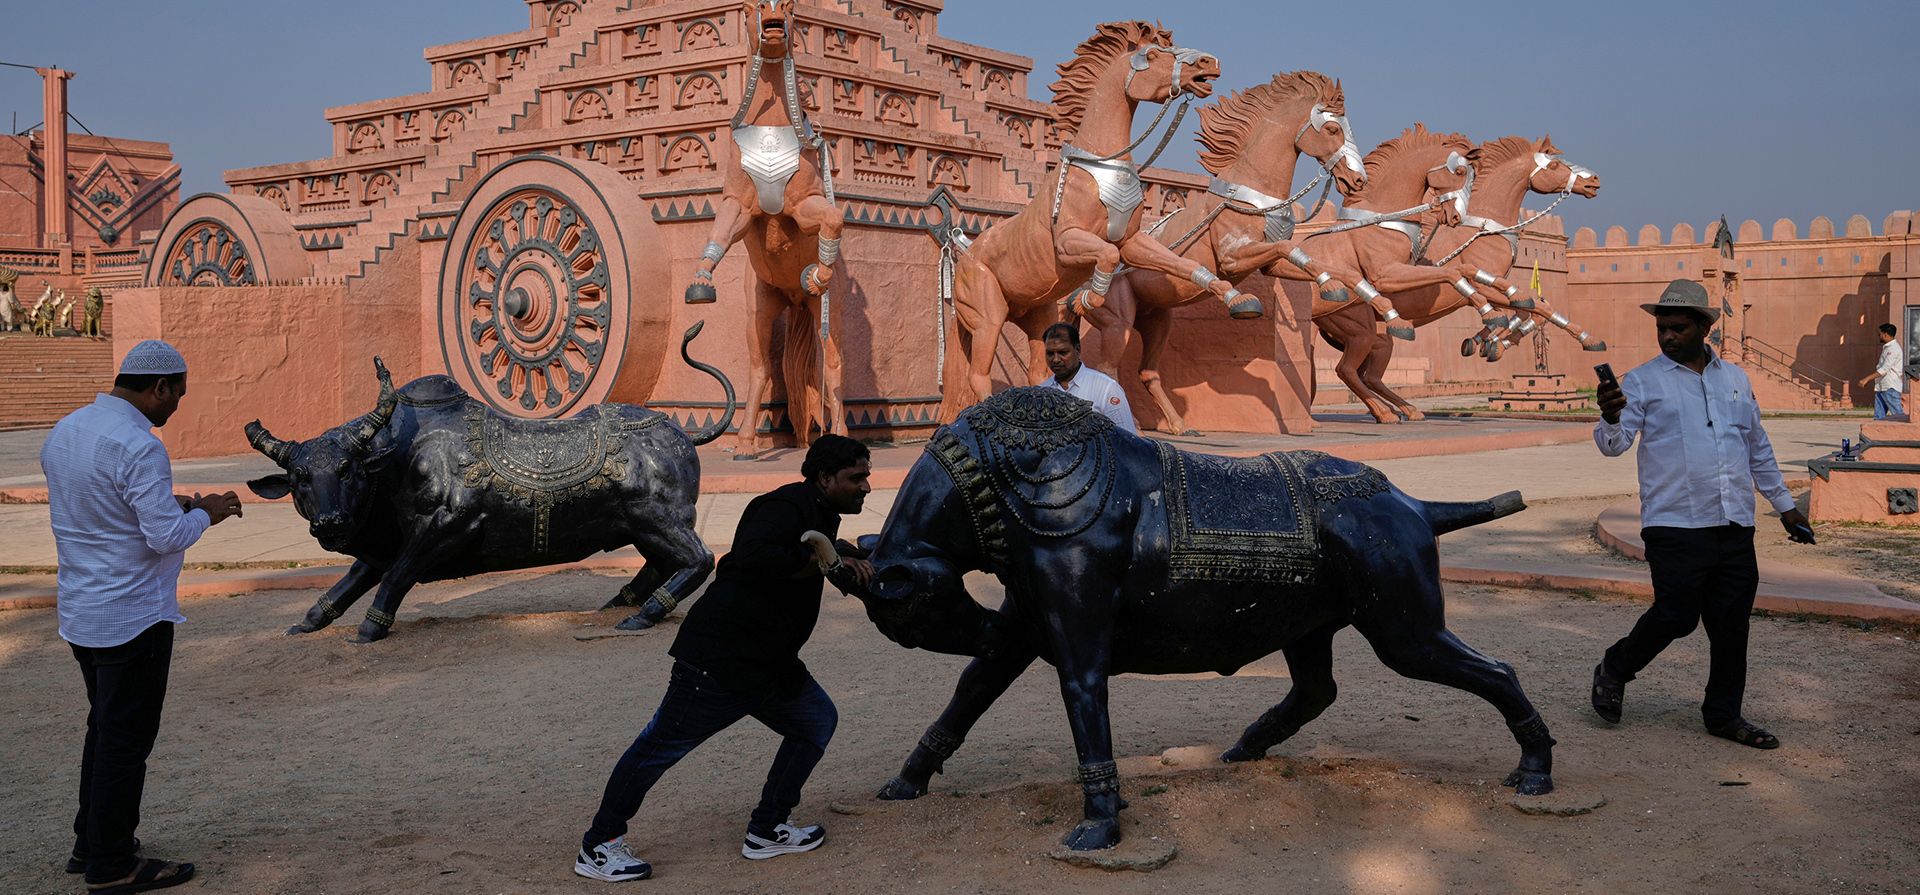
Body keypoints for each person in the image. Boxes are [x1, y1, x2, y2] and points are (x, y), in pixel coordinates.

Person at [576, 435, 875, 882]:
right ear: (825, 478)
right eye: (856, 478)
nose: (866, 486)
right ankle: (598, 846)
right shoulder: (780, 507)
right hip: (720, 660)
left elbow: (817, 550)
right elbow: (754, 558)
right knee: (658, 749)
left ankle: (767, 829)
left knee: (815, 722)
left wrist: (843, 553)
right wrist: (823, 559)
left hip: (770, 662)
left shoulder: (821, 512)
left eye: (867, 476)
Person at [41, 340, 243, 893]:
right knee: (125, 742)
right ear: (159, 387)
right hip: (133, 616)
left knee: (104, 729)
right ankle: (111, 867)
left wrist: (174, 505)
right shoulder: (139, 445)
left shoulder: (66, 431)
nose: (177, 405)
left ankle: (91, 844)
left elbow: (104, 510)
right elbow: (165, 537)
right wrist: (206, 512)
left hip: (83, 611)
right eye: (178, 394)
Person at [1589, 279, 1812, 751]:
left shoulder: (1735, 379)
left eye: (1678, 328)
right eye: (1662, 328)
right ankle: (1615, 667)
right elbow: (1614, 445)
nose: (1667, 336)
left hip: (1733, 522)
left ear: (1704, 327)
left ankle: (1723, 715)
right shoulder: (1642, 381)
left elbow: (1756, 446)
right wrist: (1609, 417)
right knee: (1676, 615)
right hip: (1674, 522)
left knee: (1731, 625)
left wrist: (1786, 507)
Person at [1039, 322, 1137, 433]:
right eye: (1050, 353)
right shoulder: (1042, 392)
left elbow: (1127, 438)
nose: (1056, 359)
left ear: (1078, 350)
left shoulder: (1107, 389)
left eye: (1063, 352)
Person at [1859, 323, 1904, 420]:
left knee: (1899, 416)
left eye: (1879, 334)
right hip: (1881, 386)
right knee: (1878, 417)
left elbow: (1884, 369)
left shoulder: (1893, 349)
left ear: (1885, 334)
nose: (1879, 336)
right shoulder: (1887, 348)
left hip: (1890, 387)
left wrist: (1866, 379)